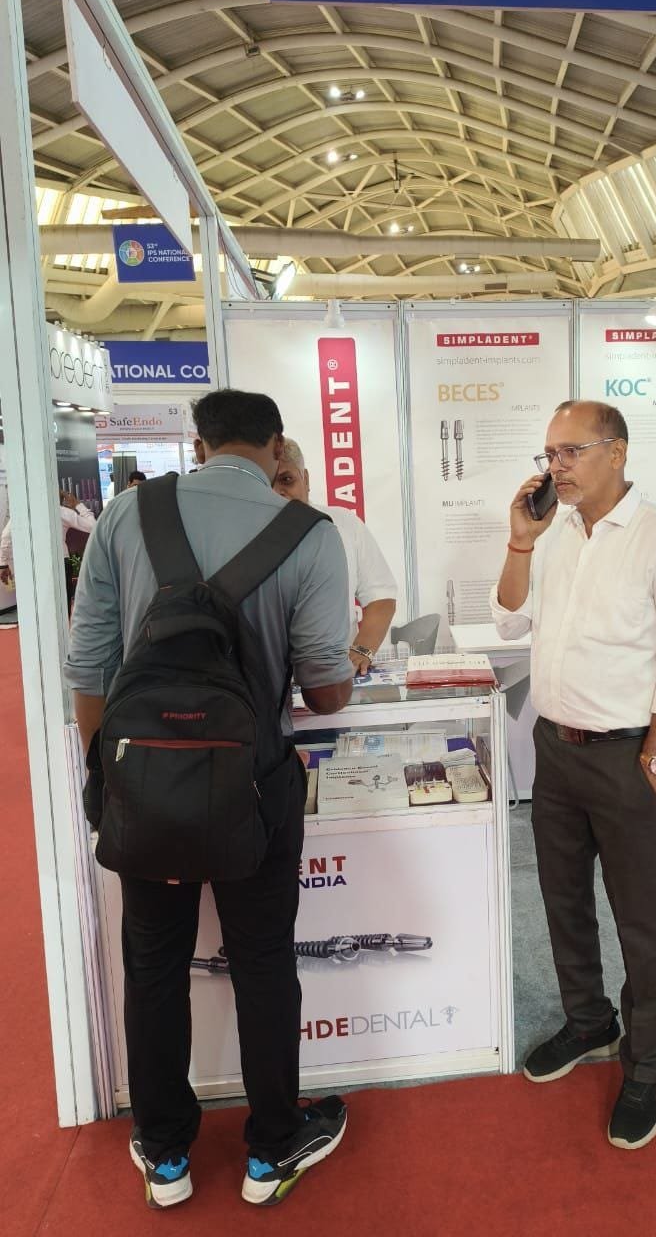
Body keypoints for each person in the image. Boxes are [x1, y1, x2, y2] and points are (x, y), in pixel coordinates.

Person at [64, 390, 355, 1208]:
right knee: (263, 960)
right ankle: (272, 1149)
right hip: (254, 788)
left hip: (145, 785)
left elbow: (89, 667)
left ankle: (164, 1154)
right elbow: (326, 693)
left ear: (199, 445)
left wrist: (109, 774)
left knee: (154, 960)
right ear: (275, 448)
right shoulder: (310, 533)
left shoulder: (126, 515)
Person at [490, 400, 656, 1151]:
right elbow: (510, 619)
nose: (555, 467)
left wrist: (654, 763)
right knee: (563, 899)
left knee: (639, 917)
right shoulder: (556, 537)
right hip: (554, 751)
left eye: (570, 452)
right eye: (549, 453)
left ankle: (647, 1065)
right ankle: (589, 1021)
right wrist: (520, 542)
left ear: (616, 452)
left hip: (626, 758)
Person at [273, 438, 398, 675]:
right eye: (267, 483)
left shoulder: (344, 524)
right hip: (270, 676)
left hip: (335, 675)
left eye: (286, 480)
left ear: (305, 479)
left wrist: (361, 651)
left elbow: (381, 598)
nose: (277, 492)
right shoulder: (246, 534)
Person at [0, 488, 95, 592]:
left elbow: (6, 536)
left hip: (32, 564)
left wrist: (3, 564)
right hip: (59, 562)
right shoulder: (61, 511)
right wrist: (78, 505)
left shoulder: (24, 510)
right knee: (62, 599)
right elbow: (93, 526)